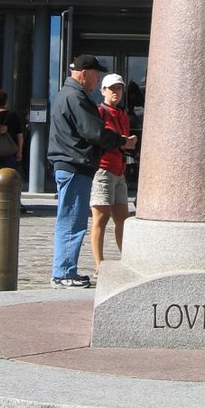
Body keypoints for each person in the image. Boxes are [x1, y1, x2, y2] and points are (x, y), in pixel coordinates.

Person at [48, 54, 137, 288]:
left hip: (70, 164)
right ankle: (64, 273)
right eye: (96, 76)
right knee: (72, 221)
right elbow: (93, 132)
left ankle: (63, 271)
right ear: (84, 74)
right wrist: (120, 141)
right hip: (75, 165)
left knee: (69, 219)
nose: (97, 81)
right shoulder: (76, 97)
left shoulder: (66, 94)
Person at [89, 74, 132, 276]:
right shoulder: (99, 112)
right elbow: (100, 138)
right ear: (103, 90)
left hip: (119, 170)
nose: (116, 92)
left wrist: (129, 143)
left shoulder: (122, 114)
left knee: (122, 217)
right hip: (104, 169)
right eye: (112, 88)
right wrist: (123, 140)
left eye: (119, 89)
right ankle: (99, 264)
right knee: (100, 217)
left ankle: (127, 258)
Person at [0, 88, 27, 212]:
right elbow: (20, 134)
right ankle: (15, 201)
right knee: (13, 176)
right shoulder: (13, 116)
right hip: (10, 151)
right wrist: (19, 150)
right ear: (6, 102)